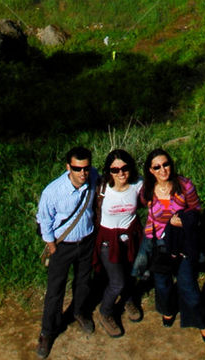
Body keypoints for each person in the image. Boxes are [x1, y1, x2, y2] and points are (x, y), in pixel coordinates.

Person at [140, 148, 205, 344]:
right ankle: (168, 310)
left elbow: (197, 210)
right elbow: (143, 207)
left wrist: (185, 220)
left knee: (188, 283)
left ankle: (202, 323)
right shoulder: (147, 190)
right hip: (160, 243)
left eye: (166, 164)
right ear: (150, 170)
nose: (163, 169)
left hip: (182, 242)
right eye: (157, 167)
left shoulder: (184, 186)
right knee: (162, 283)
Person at [34, 145, 98, 358]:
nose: (83, 173)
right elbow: (44, 221)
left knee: (83, 281)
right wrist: (53, 248)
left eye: (86, 168)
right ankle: (47, 331)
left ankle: (79, 311)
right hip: (63, 246)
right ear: (68, 167)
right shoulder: (53, 191)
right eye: (77, 169)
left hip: (87, 241)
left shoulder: (93, 176)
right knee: (55, 290)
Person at [93, 148, 145, 337]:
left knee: (131, 272)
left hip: (131, 236)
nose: (121, 173)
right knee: (117, 281)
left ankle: (129, 298)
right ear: (109, 171)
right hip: (108, 239)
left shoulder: (137, 184)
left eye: (124, 168)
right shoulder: (101, 188)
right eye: (115, 170)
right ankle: (105, 312)